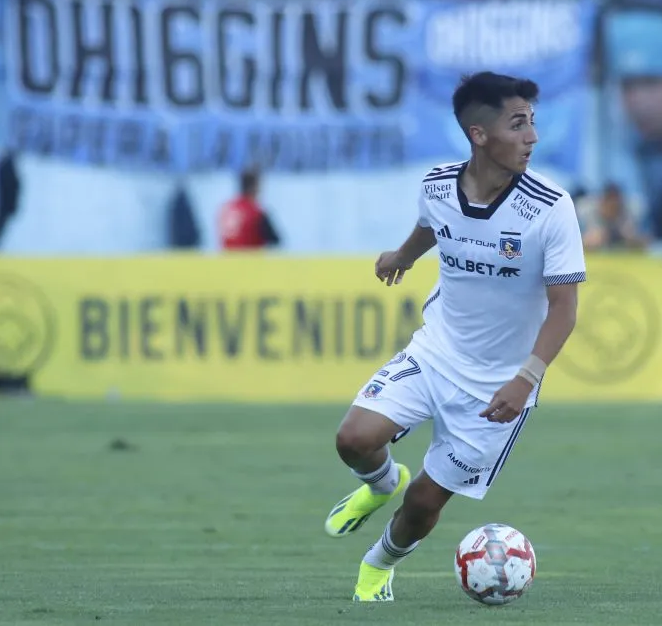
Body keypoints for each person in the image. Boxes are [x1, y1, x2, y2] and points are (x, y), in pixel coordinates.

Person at [323, 71, 586, 601]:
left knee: (424, 503)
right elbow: (433, 224)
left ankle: (377, 566)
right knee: (353, 440)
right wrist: (403, 255)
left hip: (498, 387)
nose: (532, 137)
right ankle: (382, 483)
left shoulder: (550, 207)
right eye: (518, 124)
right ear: (478, 134)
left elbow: (564, 309)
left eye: (533, 123)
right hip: (436, 353)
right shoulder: (438, 184)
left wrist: (526, 379)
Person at [217, 167, 281, 250]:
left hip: (227, 257)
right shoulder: (257, 212)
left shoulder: (226, 209)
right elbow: (275, 239)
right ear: (253, 187)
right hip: (249, 257)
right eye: (259, 186)